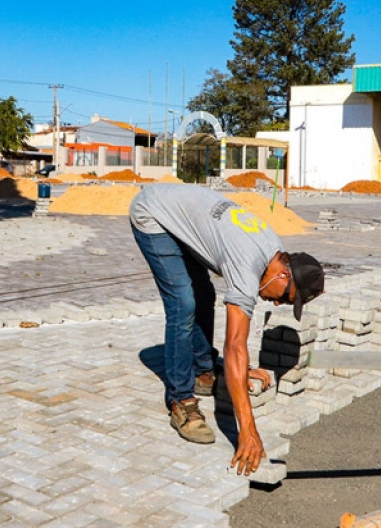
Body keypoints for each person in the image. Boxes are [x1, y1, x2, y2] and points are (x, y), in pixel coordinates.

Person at [129, 184, 325, 475]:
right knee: (183, 304)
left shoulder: (272, 253)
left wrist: (240, 370)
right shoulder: (248, 266)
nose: (278, 302)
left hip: (181, 212)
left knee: (204, 295)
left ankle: (203, 369)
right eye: (286, 296)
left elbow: (238, 346)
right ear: (284, 273)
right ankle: (181, 399)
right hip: (153, 213)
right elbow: (235, 345)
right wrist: (247, 430)